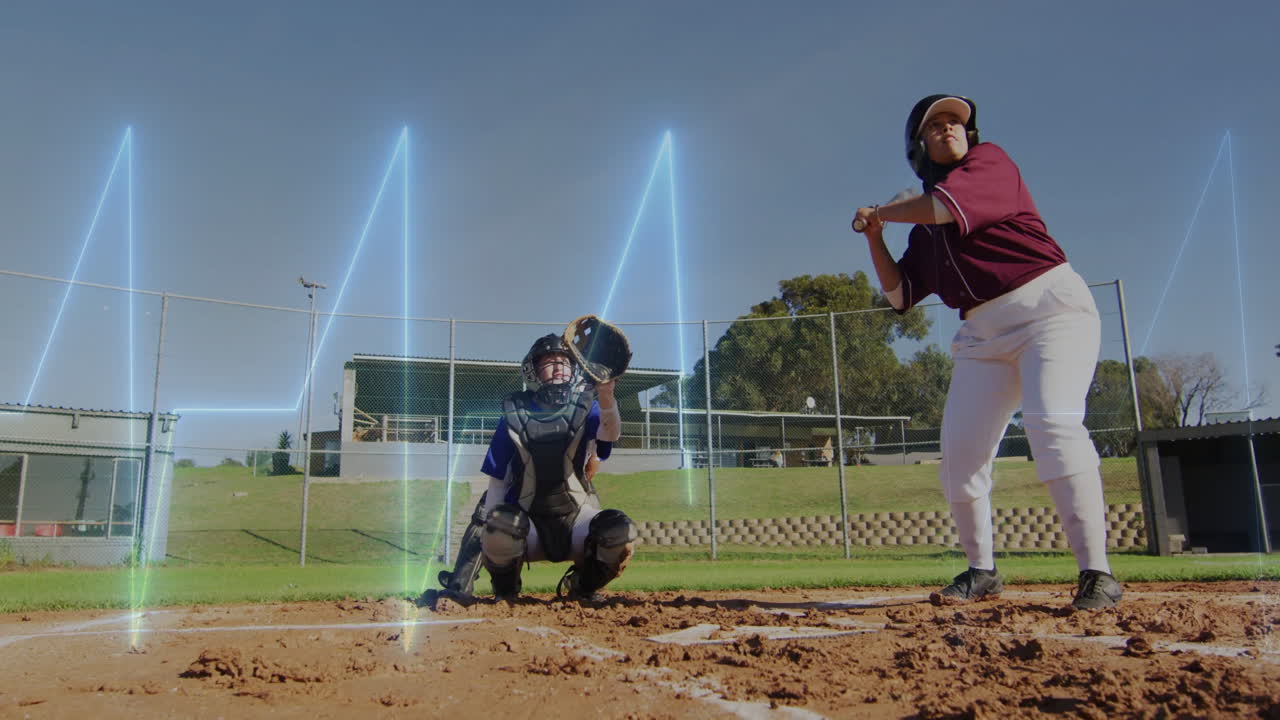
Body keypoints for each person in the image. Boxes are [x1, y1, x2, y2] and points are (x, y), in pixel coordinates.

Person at [852, 94, 1122, 610]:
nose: (951, 128)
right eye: (936, 126)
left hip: (1050, 311)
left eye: (956, 122)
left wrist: (881, 210)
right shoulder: (926, 235)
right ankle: (982, 571)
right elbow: (900, 297)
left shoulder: (989, 162)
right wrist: (876, 235)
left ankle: (1098, 573)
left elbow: (938, 207)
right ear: (919, 147)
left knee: (1052, 426)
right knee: (959, 456)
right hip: (982, 335)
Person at [430, 332, 637, 605]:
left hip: (576, 519)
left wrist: (607, 396)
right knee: (499, 523)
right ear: (533, 371)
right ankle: (506, 591)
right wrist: (482, 545)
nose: (559, 366)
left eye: (564, 361)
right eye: (549, 362)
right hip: (528, 528)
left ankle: (582, 586)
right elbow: (497, 483)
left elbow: (609, 436)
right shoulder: (514, 413)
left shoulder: (588, 406)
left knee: (621, 532)